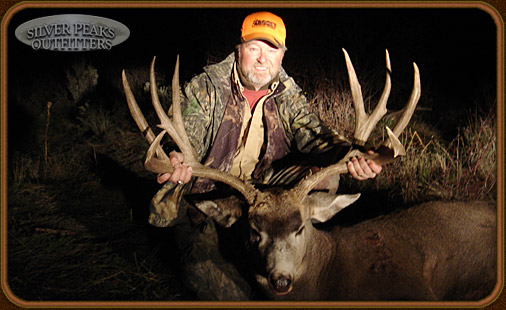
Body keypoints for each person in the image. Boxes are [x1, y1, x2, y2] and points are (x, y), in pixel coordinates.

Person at [150, 11, 382, 300]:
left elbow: (315, 134)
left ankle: (289, 244)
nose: (262, 59)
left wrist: (353, 154)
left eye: (271, 49)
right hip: (214, 196)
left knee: (324, 180)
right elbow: (189, 131)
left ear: (282, 55)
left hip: (264, 192)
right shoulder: (208, 87)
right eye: (253, 48)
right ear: (239, 50)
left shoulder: (287, 93)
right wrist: (178, 158)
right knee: (225, 289)